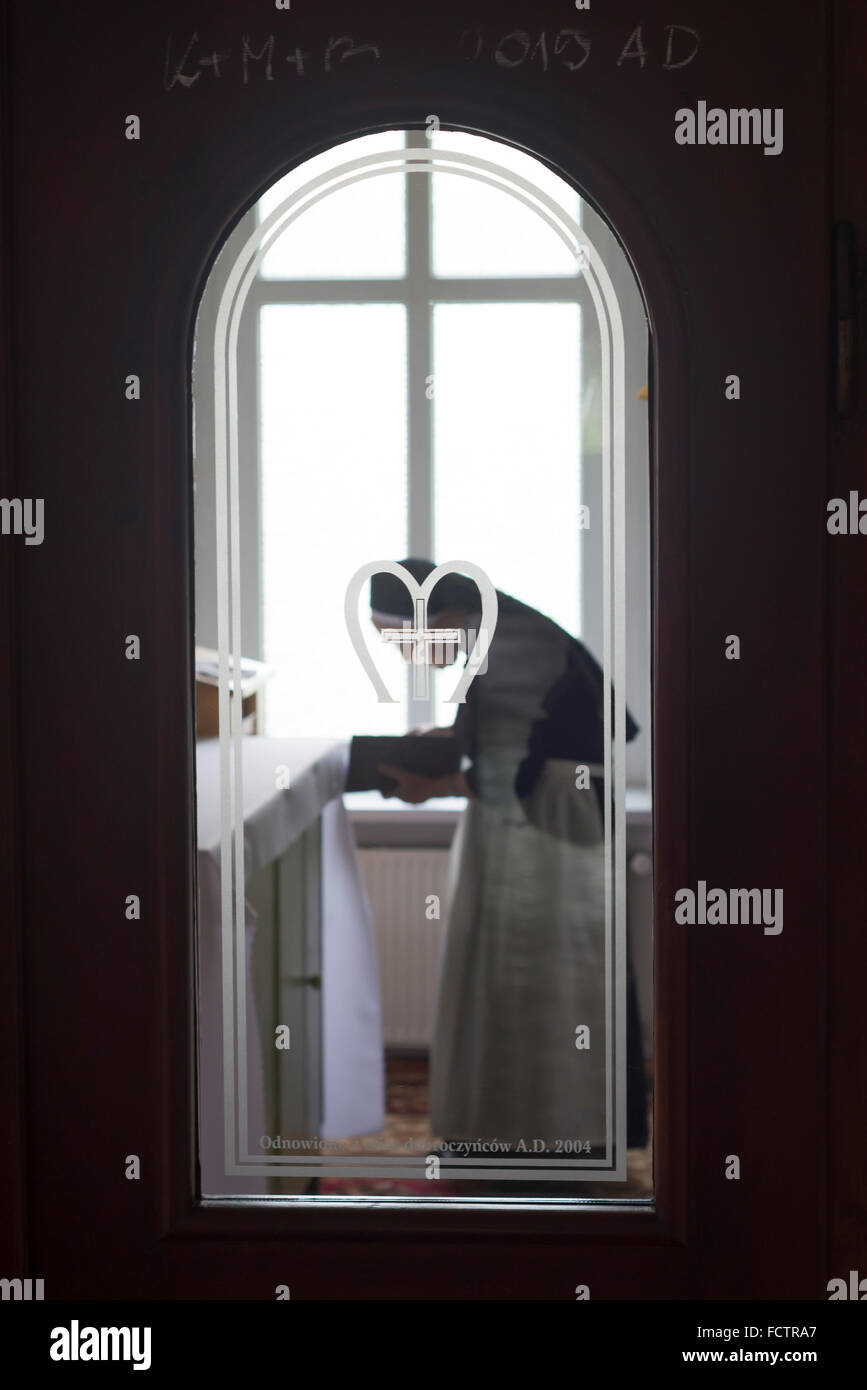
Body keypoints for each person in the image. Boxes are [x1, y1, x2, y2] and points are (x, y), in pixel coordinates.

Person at [368, 559, 648, 1168]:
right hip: (538, 811)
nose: (406, 657)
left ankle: (552, 1138)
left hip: (553, 823)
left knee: (538, 981)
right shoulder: (494, 628)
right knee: (511, 978)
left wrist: (431, 786)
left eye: (401, 641)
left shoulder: (506, 641)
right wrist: (449, 737)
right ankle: (517, 1130)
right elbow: (514, 730)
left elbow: (503, 772)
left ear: (431, 618)